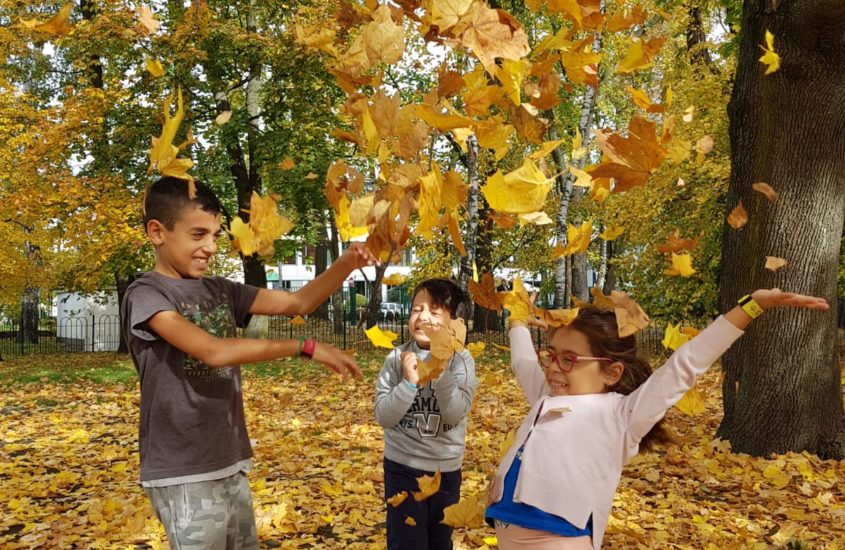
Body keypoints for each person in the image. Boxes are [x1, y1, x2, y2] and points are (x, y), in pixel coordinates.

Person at [121, 176, 378, 549]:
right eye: (197, 235)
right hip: (183, 471)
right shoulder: (146, 295)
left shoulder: (220, 289)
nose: (210, 247)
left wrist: (348, 261)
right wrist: (303, 347)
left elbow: (299, 303)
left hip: (230, 460)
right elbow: (212, 351)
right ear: (157, 232)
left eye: (214, 235)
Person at [485, 289, 829, 549]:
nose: (553, 367)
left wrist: (752, 306)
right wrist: (517, 317)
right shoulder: (548, 395)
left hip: (560, 540)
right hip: (506, 531)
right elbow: (522, 362)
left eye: (569, 359)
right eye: (552, 355)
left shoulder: (620, 415)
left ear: (611, 371)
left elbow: (686, 365)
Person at [374, 278, 479, 549]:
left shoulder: (461, 361)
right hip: (402, 468)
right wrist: (408, 383)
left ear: (454, 322)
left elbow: (454, 412)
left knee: (439, 541)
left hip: (445, 471)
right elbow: (384, 416)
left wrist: (438, 371)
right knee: (406, 542)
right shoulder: (396, 358)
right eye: (416, 309)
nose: (422, 317)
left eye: (434, 311)